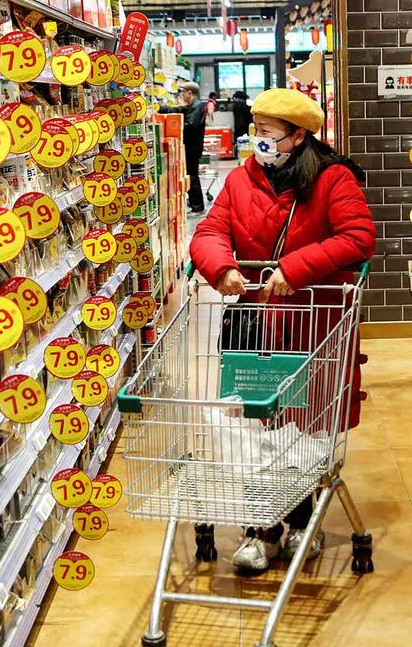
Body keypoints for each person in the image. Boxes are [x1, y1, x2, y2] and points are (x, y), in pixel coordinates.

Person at [189, 88, 376, 573]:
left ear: (298, 136)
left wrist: (295, 268)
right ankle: (262, 525)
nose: (259, 139)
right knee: (254, 425)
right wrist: (221, 268)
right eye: (257, 129)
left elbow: (358, 238)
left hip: (313, 323)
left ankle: (300, 518)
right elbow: (210, 231)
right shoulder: (240, 179)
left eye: (269, 131)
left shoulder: (332, 179)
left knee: (304, 426)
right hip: (255, 324)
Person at [158, 81, 207, 213]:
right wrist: (162, 108)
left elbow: (190, 125)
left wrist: (172, 128)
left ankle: (197, 206)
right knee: (190, 174)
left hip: (193, 147)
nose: (182, 95)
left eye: (183, 92)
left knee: (192, 175)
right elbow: (180, 110)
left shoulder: (197, 106)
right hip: (190, 146)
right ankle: (194, 203)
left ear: (190, 93)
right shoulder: (193, 106)